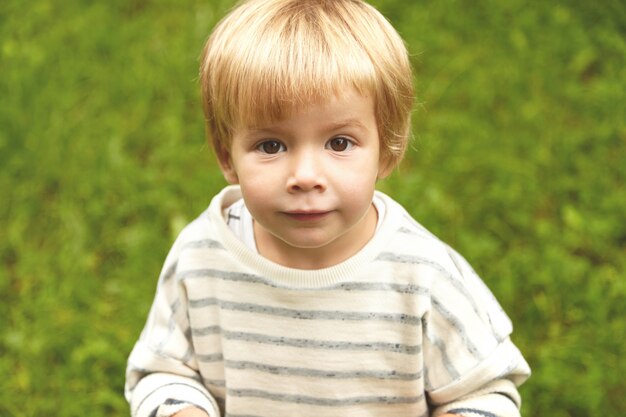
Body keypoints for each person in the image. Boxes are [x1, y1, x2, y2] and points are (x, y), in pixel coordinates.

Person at [124, 0, 531, 416]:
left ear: (387, 150)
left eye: (339, 143)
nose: (304, 175)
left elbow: (483, 394)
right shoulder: (202, 256)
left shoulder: (421, 274)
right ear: (226, 156)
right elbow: (163, 372)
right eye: (271, 145)